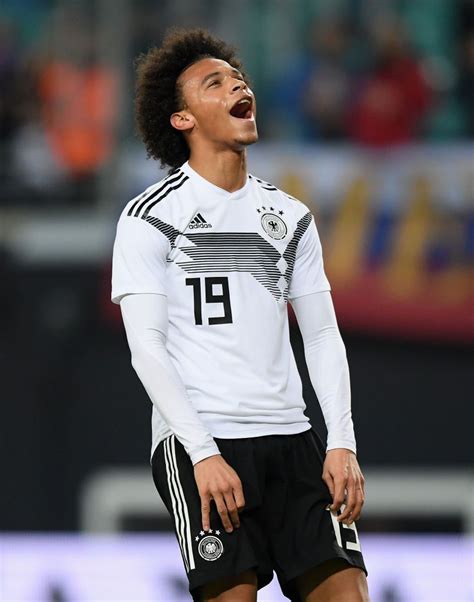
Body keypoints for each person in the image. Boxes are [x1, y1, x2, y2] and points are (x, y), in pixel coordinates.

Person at [111, 28, 369, 602]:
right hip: (204, 443)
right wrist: (202, 453)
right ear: (182, 119)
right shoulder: (151, 217)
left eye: (238, 78)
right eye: (215, 82)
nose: (238, 85)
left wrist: (340, 442)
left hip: (294, 439)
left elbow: (323, 334)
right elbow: (145, 348)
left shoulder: (289, 215)